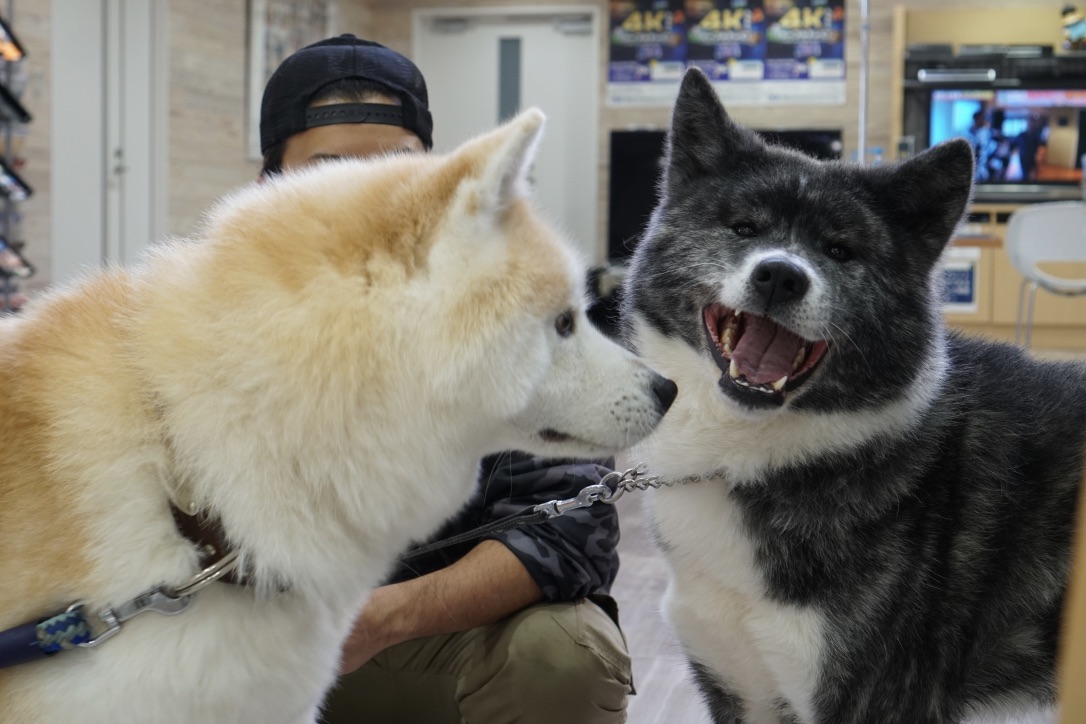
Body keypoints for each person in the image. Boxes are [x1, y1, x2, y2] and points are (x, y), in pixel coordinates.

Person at [258, 34, 634, 723]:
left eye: (398, 167)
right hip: (240, 657)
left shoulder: (510, 307)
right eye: (333, 169)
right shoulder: (198, 320)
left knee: (562, 650)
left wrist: (381, 619)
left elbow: (571, 528)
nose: (371, 196)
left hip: (410, 648)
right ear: (271, 183)